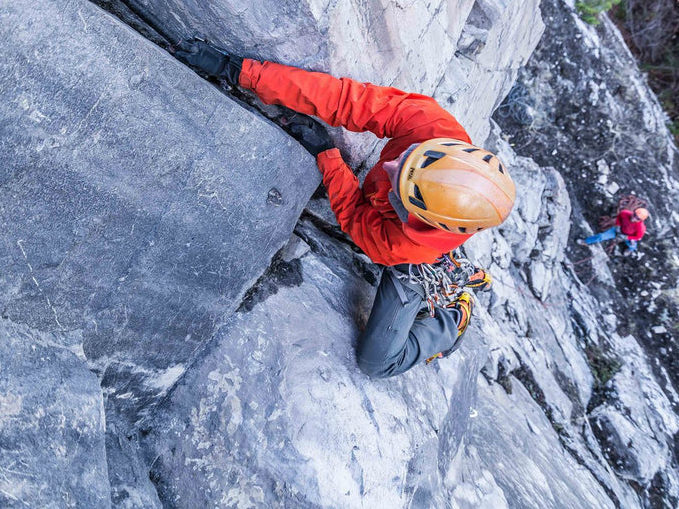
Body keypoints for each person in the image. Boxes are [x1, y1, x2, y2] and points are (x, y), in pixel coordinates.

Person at [173, 39, 516, 377]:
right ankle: (452, 262)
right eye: (406, 157)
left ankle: (453, 318)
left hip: (414, 255)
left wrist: (328, 155)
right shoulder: (433, 127)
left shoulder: (405, 244)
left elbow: (354, 216)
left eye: (401, 185)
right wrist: (240, 71)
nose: (389, 165)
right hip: (433, 223)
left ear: (417, 217)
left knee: (377, 363)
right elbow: (342, 99)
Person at [582, 206, 649, 253]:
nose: (634, 218)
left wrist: (626, 237)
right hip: (618, 230)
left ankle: (630, 249)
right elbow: (619, 217)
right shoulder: (625, 213)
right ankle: (586, 241)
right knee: (601, 236)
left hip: (629, 236)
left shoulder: (640, 228)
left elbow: (637, 237)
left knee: (632, 245)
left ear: (641, 220)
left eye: (637, 218)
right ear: (633, 212)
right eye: (634, 215)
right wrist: (618, 225)